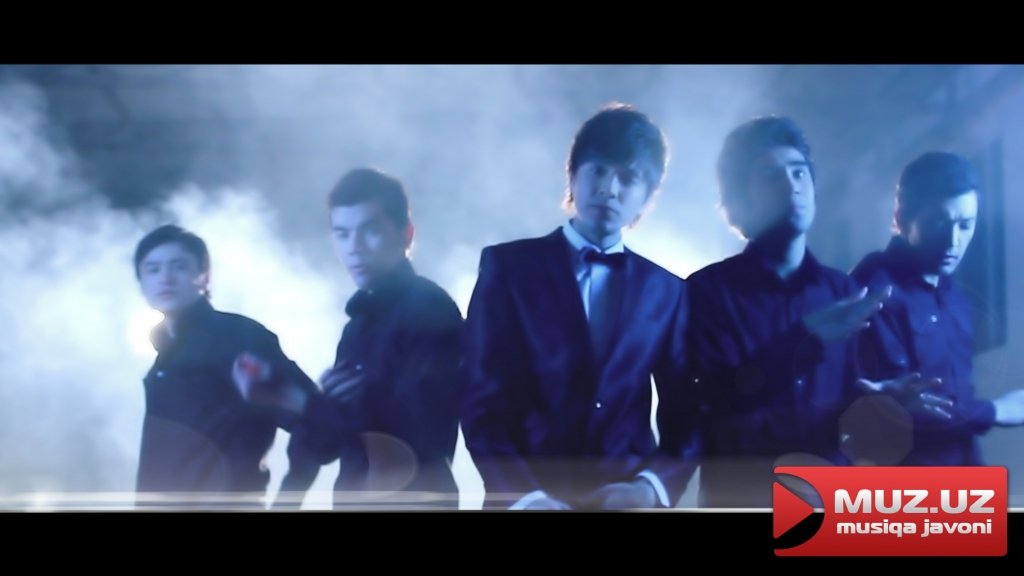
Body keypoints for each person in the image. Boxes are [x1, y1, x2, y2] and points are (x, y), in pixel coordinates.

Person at [461, 102, 697, 510]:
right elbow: (480, 398)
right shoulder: (508, 268)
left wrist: (649, 489)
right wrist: (525, 497)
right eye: (599, 170)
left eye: (629, 178)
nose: (610, 188)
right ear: (572, 174)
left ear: (647, 197)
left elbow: (688, 413)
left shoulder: (667, 291)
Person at [234, 168, 464, 509]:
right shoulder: (358, 325)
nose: (353, 248)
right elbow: (331, 443)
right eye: (342, 234)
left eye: (370, 230)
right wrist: (295, 400)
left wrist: (299, 400)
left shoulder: (429, 308)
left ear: (406, 235)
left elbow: (414, 435)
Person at [849, 151, 1024, 466]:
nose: (953, 241)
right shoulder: (873, 291)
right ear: (902, 219)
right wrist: (999, 410)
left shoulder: (953, 294)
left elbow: (956, 404)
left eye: (966, 225)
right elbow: (902, 409)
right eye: (938, 223)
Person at [133, 224, 320, 509]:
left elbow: (316, 423)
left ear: (204, 276)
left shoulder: (237, 338)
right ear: (142, 284)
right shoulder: (164, 358)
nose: (165, 278)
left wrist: (287, 502)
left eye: (179, 266)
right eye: (153, 269)